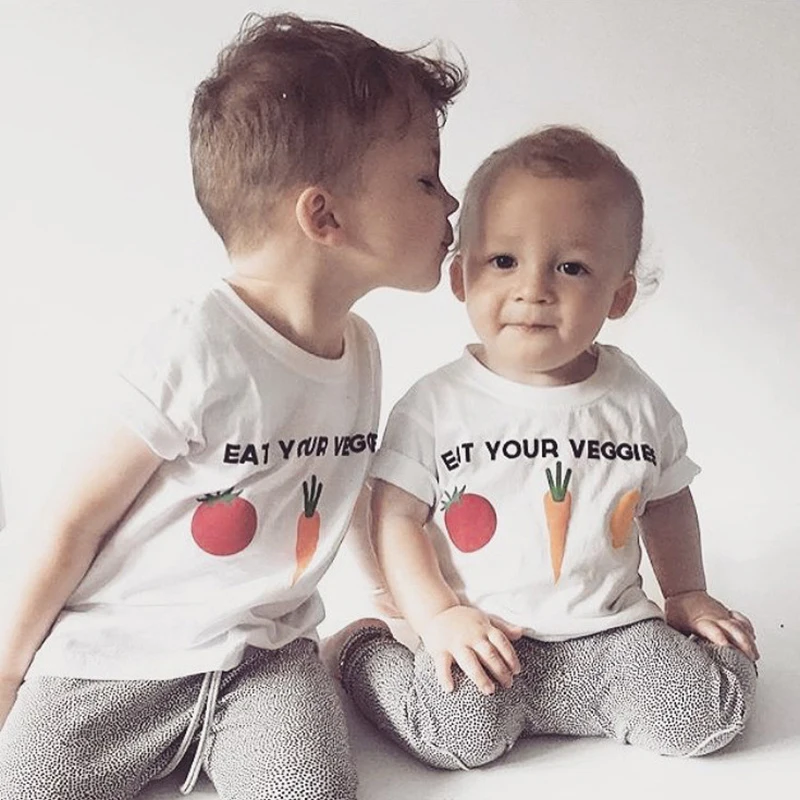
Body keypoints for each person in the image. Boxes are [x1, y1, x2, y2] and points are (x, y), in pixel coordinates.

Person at [0, 12, 464, 799]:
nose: (451, 203)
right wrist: (8, 670)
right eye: (426, 178)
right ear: (324, 216)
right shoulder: (197, 347)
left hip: (264, 659)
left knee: (314, 791)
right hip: (118, 655)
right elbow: (70, 520)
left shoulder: (361, 350)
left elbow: (347, 495)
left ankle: (346, 656)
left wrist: (404, 611)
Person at [334, 126, 759, 769]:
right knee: (457, 735)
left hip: (614, 633)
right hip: (489, 634)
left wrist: (686, 593)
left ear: (619, 294)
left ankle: (690, 663)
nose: (533, 288)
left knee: (704, 712)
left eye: (571, 267)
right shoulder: (435, 406)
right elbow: (394, 518)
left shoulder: (636, 401)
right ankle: (363, 653)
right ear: (461, 276)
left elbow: (668, 502)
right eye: (504, 261)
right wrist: (438, 617)